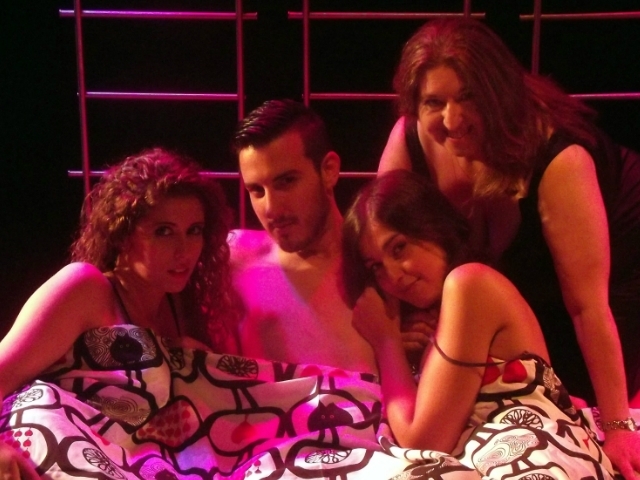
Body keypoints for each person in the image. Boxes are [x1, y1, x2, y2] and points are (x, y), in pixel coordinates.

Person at [378, 17, 640, 475]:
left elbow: (588, 308)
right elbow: (377, 242)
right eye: (434, 102)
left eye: (468, 97)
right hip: (498, 275)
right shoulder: (411, 139)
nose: (452, 120)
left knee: (561, 389)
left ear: (497, 94)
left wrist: (618, 428)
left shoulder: (560, 161)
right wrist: (397, 329)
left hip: (615, 243)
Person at [342, 169, 622, 479]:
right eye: (376, 267)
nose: (393, 275)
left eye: (399, 248)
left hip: (530, 459)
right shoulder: (438, 320)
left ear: (434, 227)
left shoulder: (469, 284)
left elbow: (421, 441)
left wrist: (386, 343)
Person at [0, 147, 233, 478]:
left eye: (194, 230)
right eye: (164, 231)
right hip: (49, 448)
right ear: (122, 234)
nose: (184, 251)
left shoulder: (180, 303)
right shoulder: (85, 288)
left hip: (137, 464)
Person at [224, 99, 378, 375]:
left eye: (286, 182)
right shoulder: (233, 259)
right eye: (257, 190)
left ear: (329, 170)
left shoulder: (380, 265)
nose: (271, 208)